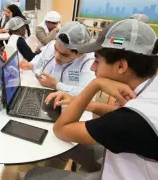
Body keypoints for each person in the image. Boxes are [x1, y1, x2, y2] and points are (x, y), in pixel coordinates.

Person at [25, 19, 158, 180]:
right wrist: (80, 102)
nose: (92, 67)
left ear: (121, 66)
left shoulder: (130, 121)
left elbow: (61, 130)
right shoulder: (150, 90)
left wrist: (95, 84)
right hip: (127, 160)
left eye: (97, 61)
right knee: (69, 147)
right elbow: (121, 112)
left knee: (34, 176)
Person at [20, 21, 95, 96]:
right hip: (42, 93)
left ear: (80, 53)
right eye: (55, 49)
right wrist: (31, 65)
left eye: (64, 55)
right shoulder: (52, 44)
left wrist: (56, 85)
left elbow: (86, 93)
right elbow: (40, 59)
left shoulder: (89, 62)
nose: (57, 57)